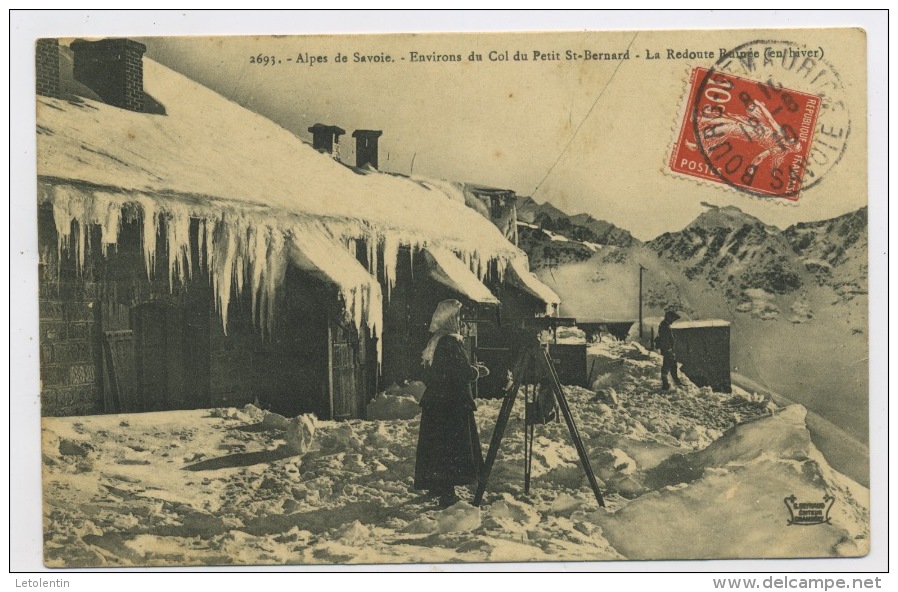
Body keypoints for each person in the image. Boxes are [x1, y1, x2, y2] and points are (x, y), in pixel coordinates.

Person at [414, 299, 488, 507]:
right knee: (450, 447)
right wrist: (476, 371)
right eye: (460, 318)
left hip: (438, 402)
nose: (462, 322)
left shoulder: (437, 341)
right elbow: (458, 372)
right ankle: (446, 491)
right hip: (451, 404)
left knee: (437, 445)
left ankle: (436, 485)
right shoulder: (449, 342)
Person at [656, 309, 683, 392]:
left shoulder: (665, 325)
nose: (673, 321)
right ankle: (665, 385)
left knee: (673, 365)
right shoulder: (664, 326)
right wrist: (668, 349)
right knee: (666, 367)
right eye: (673, 319)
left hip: (669, 349)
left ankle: (676, 382)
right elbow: (665, 340)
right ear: (669, 318)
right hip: (668, 350)